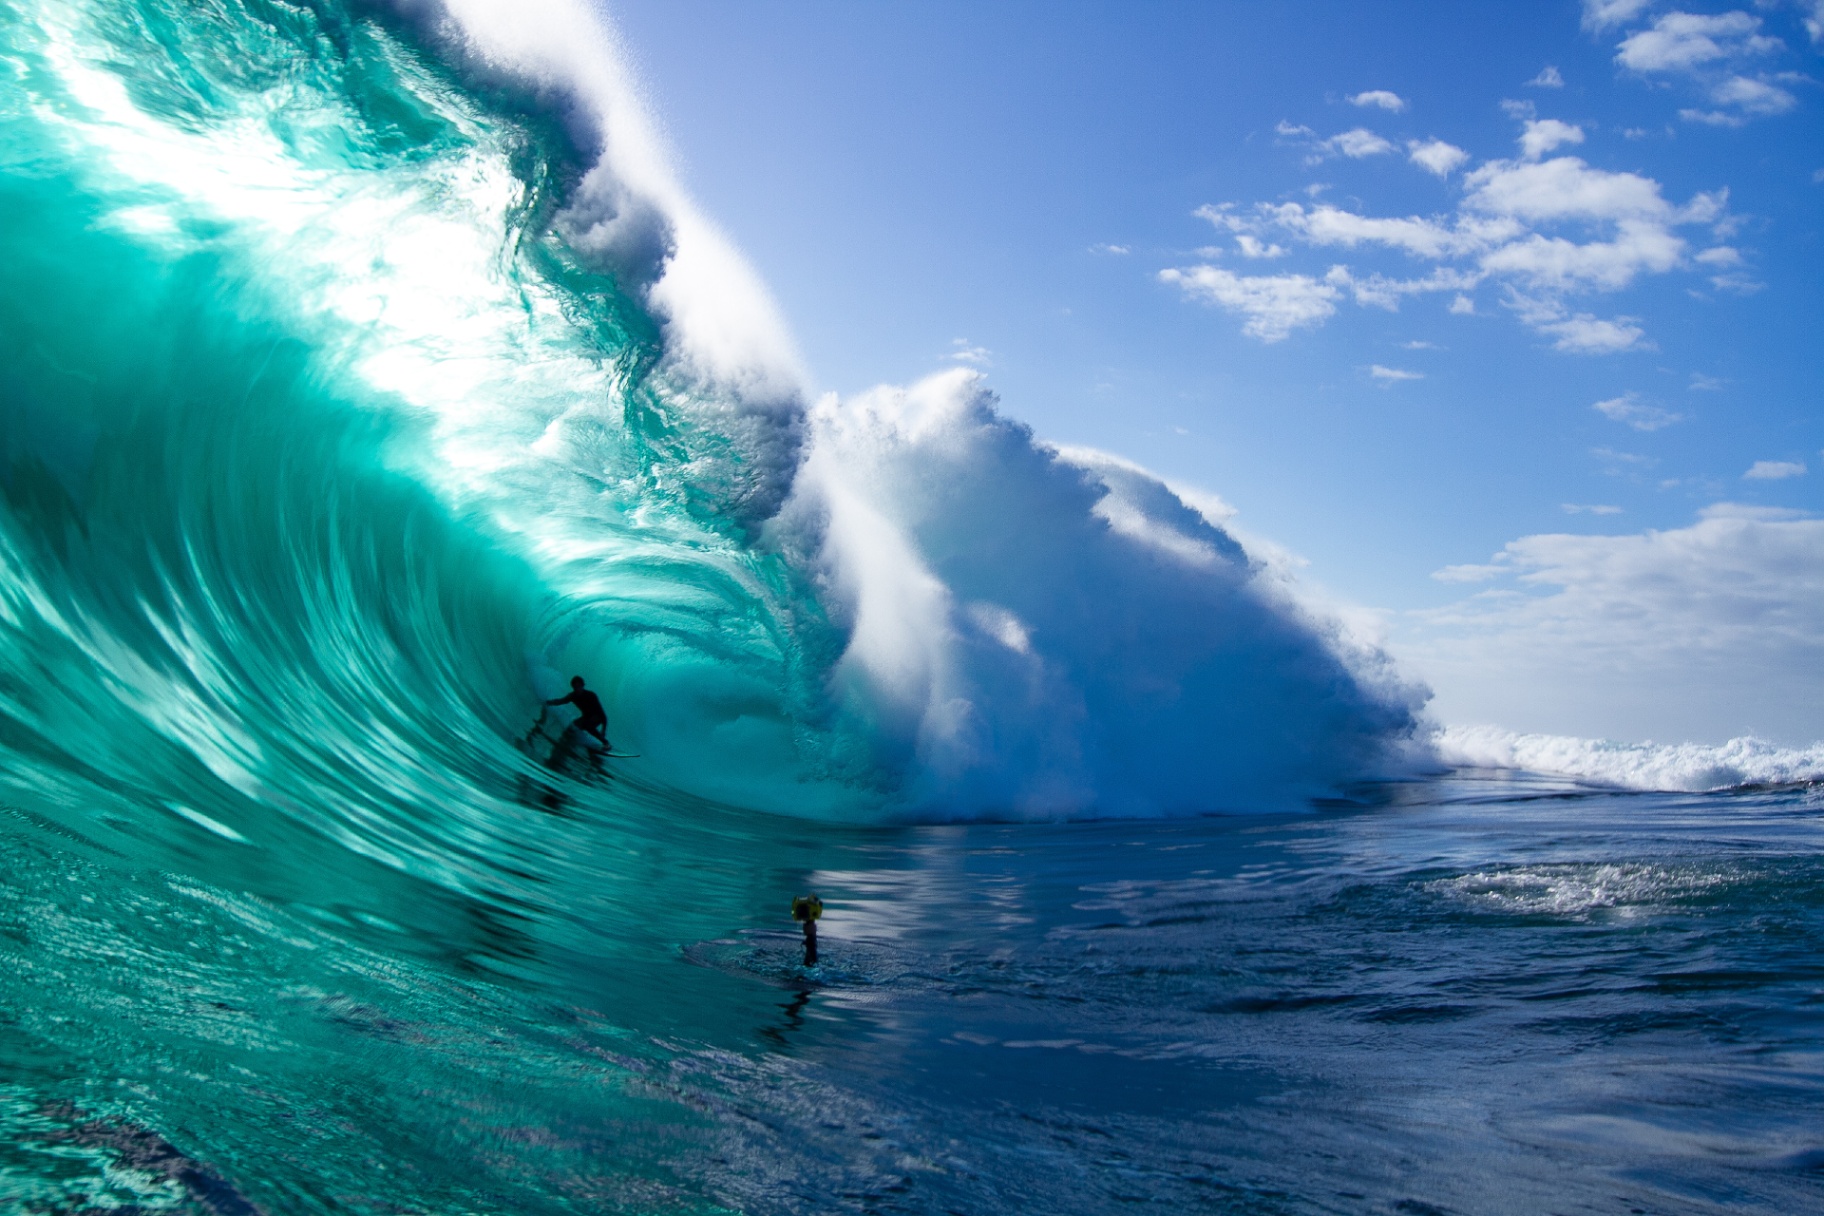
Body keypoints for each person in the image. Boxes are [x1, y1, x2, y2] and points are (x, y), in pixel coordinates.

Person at [545, 676, 609, 749]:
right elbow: (561, 701)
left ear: (582, 685)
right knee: (572, 727)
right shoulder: (572, 696)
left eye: (579, 686)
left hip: (597, 717)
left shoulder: (591, 695)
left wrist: (603, 730)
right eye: (575, 687)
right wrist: (549, 702)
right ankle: (573, 743)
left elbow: (603, 715)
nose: (577, 689)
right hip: (586, 717)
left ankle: (606, 743)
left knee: (587, 725)